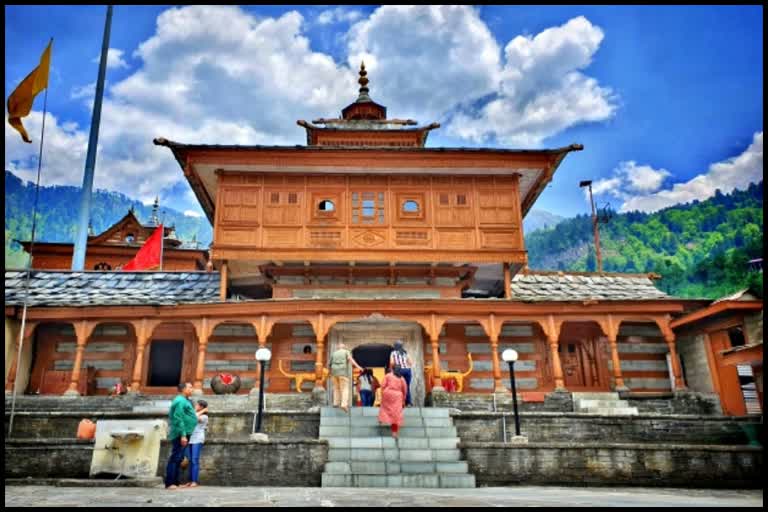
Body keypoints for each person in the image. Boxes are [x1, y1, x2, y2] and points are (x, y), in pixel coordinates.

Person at [164, 382, 198, 490]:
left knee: (179, 458)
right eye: (190, 387)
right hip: (180, 433)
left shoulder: (185, 400)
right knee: (175, 457)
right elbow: (178, 418)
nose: (192, 389)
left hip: (185, 433)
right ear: (183, 389)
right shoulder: (179, 401)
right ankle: (169, 483)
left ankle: (176, 482)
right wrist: (183, 435)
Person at [329, 342, 363, 412]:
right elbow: (351, 360)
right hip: (343, 372)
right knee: (345, 388)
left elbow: (329, 364)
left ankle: (335, 403)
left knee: (336, 388)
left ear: (338, 348)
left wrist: (331, 373)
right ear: (344, 347)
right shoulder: (346, 352)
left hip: (334, 373)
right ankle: (344, 404)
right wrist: (359, 367)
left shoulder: (334, 353)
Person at [182, 399, 208, 488]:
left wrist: (203, 411)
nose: (195, 407)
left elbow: (195, 418)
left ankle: (194, 481)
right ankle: (190, 481)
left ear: (201, 407)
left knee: (194, 460)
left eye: (197, 405)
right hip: (191, 439)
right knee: (190, 460)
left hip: (198, 439)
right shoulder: (195, 413)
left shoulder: (204, 417)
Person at [378, 366, 408, 438]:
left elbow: (382, 385)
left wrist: (382, 394)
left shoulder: (388, 375)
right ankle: (394, 432)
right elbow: (405, 390)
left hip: (387, 394)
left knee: (385, 408)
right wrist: (403, 400)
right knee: (396, 414)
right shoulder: (401, 378)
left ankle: (381, 419)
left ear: (393, 370)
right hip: (397, 396)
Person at [389, 340, 414, 406]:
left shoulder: (393, 353)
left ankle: (399, 402)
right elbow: (410, 362)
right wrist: (406, 366)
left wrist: (392, 370)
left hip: (398, 370)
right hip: (407, 370)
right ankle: (408, 402)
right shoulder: (405, 353)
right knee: (407, 386)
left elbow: (392, 363)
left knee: (397, 387)